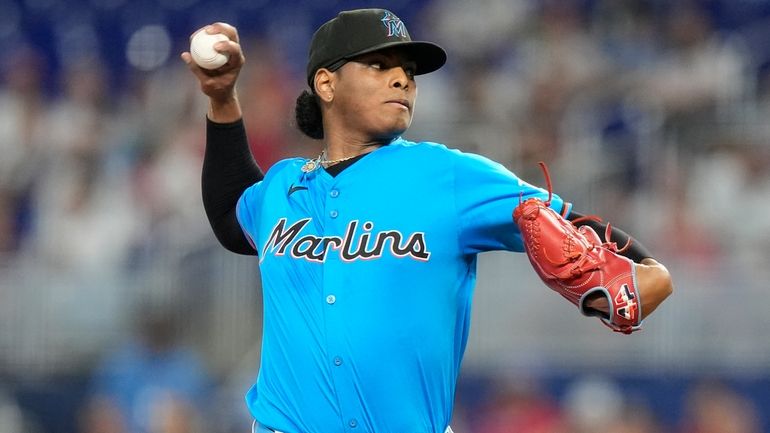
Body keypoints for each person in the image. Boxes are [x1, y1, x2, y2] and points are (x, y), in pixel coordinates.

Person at [181, 8, 673, 433]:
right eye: (379, 65)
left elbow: (576, 227)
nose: (402, 79)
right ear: (326, 83)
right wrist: (222, 100)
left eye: (409, 72)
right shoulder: (284, 185)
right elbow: (230, 216)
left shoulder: (450, 175)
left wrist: (645, 273)